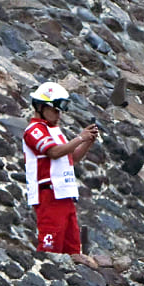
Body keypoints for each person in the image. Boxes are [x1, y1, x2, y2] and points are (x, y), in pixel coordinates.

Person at [23, 81, 97, 254]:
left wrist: (87, 142)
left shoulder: (54, 130)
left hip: (65, 193)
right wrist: (80, 138)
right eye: (55, 110)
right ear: (41, 107)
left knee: (72, 248)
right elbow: (54, 152)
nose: (59, 115)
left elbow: (71, 159)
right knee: (51, 247)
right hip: (49, 193)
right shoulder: (34, 130)